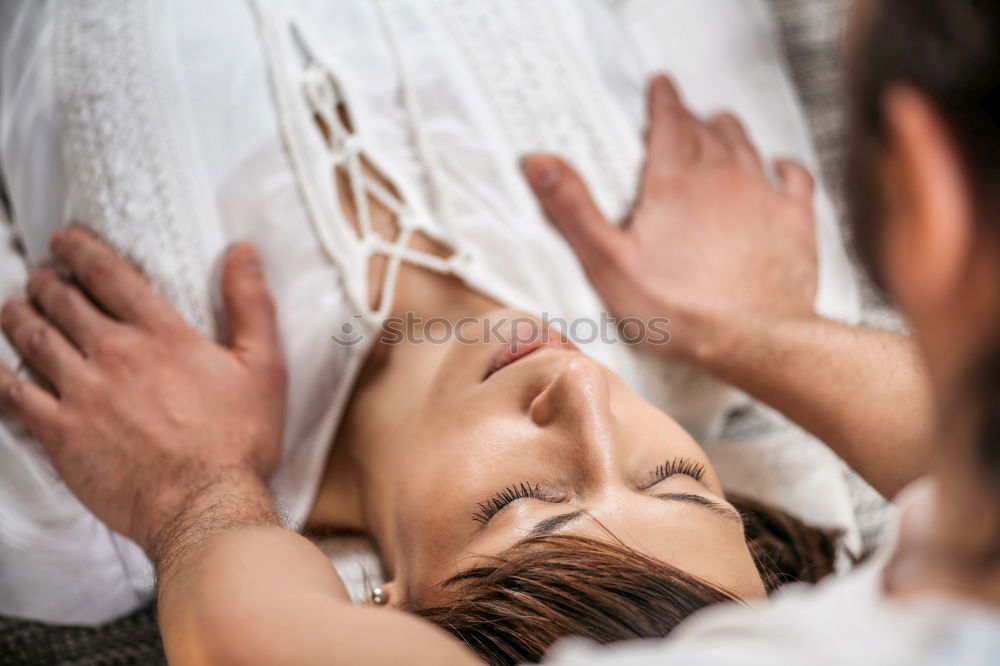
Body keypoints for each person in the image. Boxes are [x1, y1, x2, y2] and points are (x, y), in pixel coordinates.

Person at [0, 2, 932, 666]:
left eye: (521, 500)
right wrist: (767, 326)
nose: (585, 397)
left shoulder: (85, 470)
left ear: (388, 613)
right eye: (678, 479)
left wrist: (193, 499)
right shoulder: (722, 267)